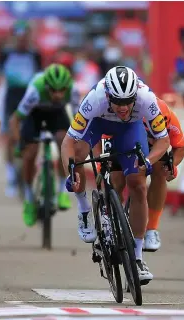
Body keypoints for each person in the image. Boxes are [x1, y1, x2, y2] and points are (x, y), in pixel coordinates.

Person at [61, 66, 170, 284]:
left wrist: (148, 161)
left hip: (131, 129)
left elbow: (163, 141)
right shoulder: (95, 98)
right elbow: (67, 143)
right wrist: (71, 172)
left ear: (135, 96)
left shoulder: (146, 98)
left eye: (128, 101)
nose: (123, 107)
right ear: (108, 95)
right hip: (99, 124)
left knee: (138, 184)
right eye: (118, 102)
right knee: (80, 153)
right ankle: (84, 211)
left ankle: (137, 258)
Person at [99, 98, 184, 251]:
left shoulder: (167, 115)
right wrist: (104, 165)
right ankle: (110, 224)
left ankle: (152, 229)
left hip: (155, 145)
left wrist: (173, 166)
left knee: (161, 170)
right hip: (124, 137)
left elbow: (180, 146)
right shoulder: (125, 112)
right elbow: (103, 138)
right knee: (115, 180)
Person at [9, 64, 80, 226]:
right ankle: (29, 199)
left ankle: (62, 191)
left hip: (57, 115)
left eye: (61, 90)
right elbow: (15, 119)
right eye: (53, 90)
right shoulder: (35, 90)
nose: (57, 94)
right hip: (35, 116)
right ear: (46, 86)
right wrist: (20, 143)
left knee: (64, 141)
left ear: (67, 87)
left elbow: (78, 118)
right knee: (30, 154)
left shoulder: (73, 90)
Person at [0, 20, 42, 197]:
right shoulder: (6, 53)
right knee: (10, 136)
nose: (22, 41)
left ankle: (27, 170)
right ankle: (11, 176)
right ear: (14, 37)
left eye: (25, 37)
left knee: (31, 136)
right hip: (12, 96)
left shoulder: (34, 54)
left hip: (29, 96)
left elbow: (39, 76)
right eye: (19, 37)